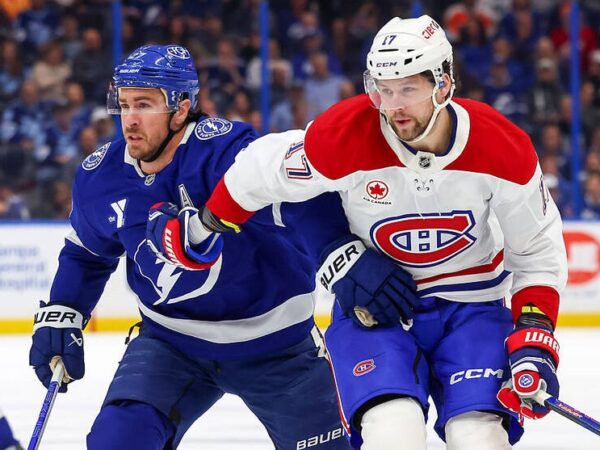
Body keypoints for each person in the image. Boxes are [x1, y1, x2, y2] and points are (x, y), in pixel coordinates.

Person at [184, 16, 568, 450]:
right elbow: (260, 169)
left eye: (408, 89)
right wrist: (209, 223)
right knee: (392, 432)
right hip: (374, 313)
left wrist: (534, 336)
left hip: (472, 308)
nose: (393, 105)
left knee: (477, 437)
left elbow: (536, 252)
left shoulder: (502, 146)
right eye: (383, 89)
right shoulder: (345, 134)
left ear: (443, 85)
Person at [28, 44, 351, 450]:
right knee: (117, 441)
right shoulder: (102, 176)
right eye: (124, 105)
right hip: (171, 344)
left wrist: (343, 255)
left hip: (278, 346)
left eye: (144, 104)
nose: (129, 119)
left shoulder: (227, 153)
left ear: (181, 109)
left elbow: (303, 201)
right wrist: (64, 311)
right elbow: (86, 252)